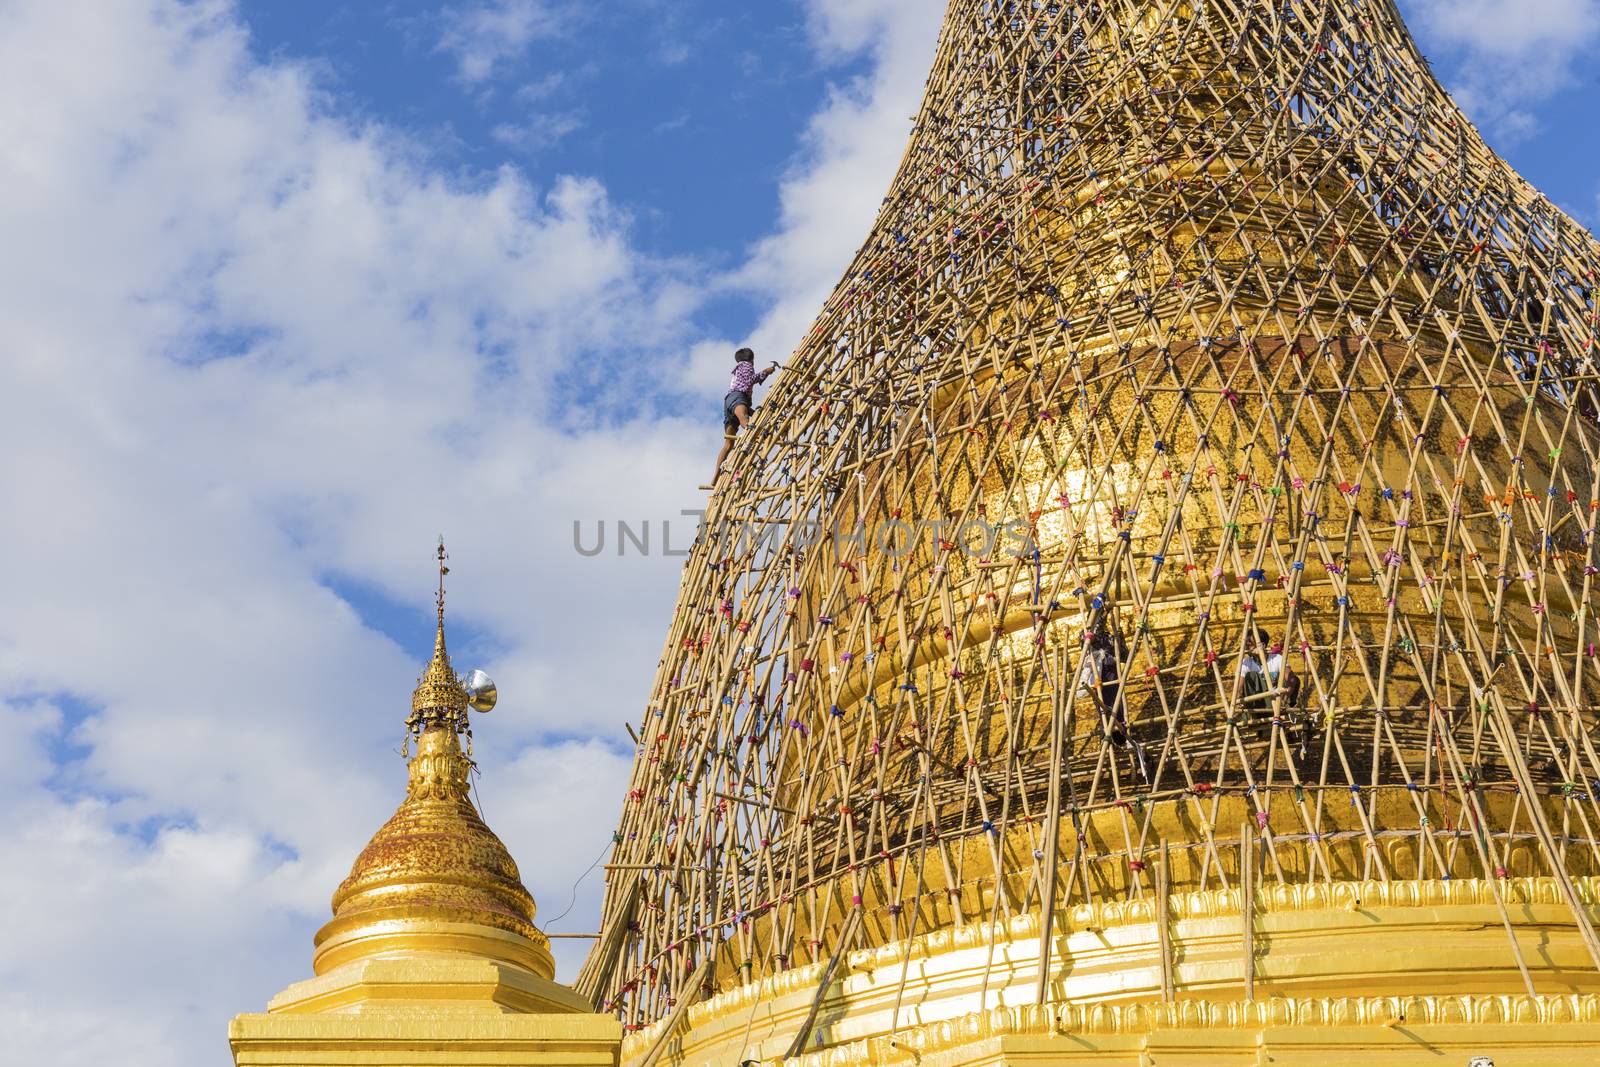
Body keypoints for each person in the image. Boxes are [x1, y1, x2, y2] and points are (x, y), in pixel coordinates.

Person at [711, 347, 776, 486]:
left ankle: (715, 475)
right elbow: (750, 380)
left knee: (729, 444)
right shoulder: (746, 365)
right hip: (738, 397)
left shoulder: (737, 369)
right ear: (752, 359)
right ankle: (750, 441)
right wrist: (766, 372)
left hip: (729, 402)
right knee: (745, 421)